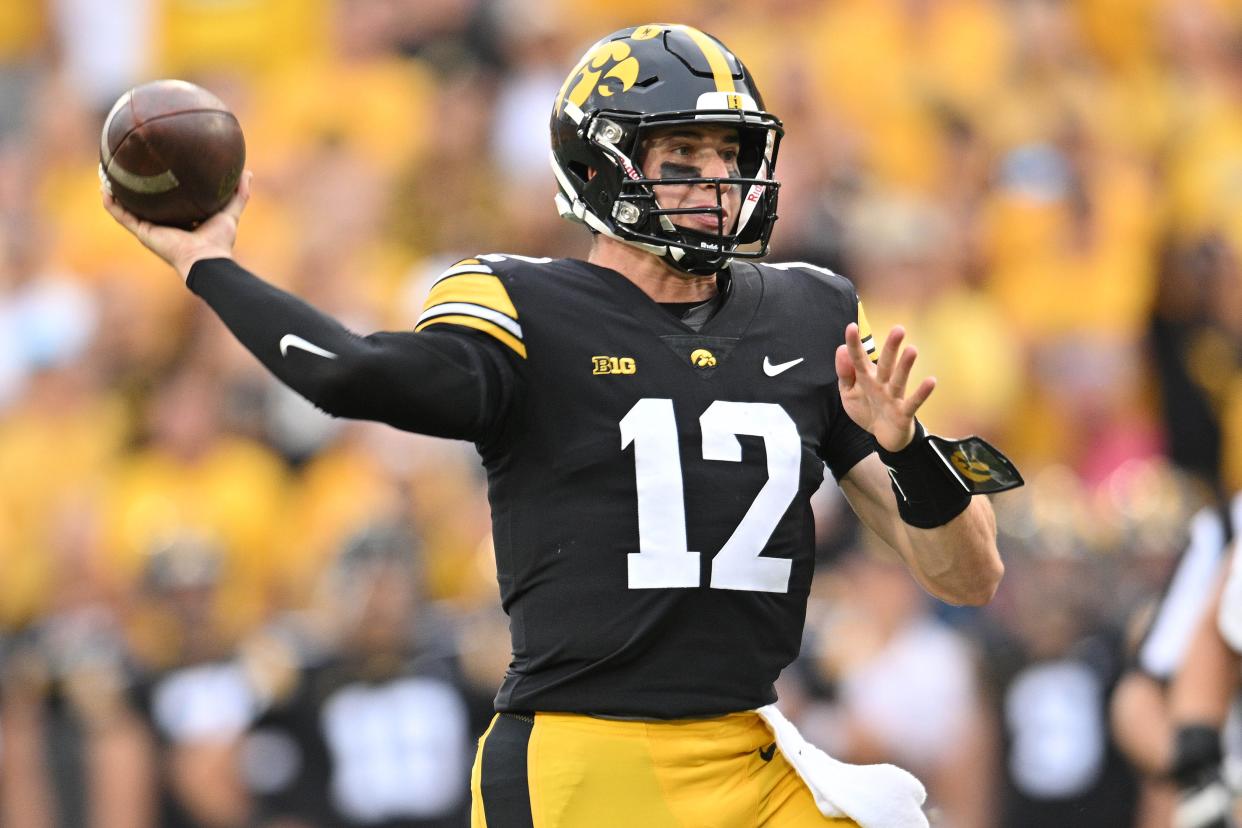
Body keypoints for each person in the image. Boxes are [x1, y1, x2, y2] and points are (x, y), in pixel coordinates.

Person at [103, 23, 1018, 828]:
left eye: (731, 158)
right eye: (683, 160)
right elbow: (351, 374)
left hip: (749, 751)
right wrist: (210, 264)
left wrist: (908, 452)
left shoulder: (810, 313)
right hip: (587, 762)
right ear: (599, 168)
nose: (717, 184)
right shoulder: (523, 302)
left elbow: (969, 577)